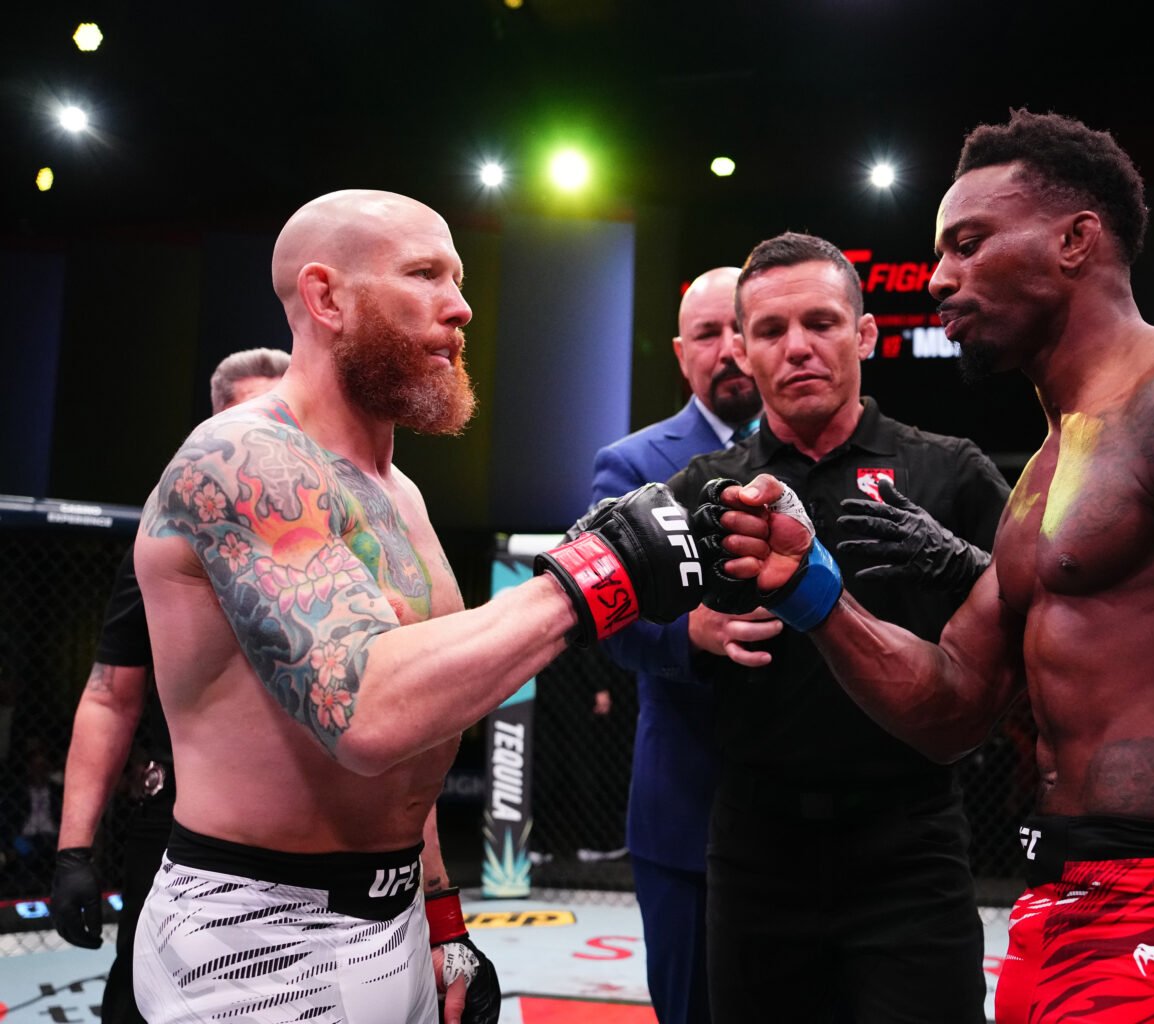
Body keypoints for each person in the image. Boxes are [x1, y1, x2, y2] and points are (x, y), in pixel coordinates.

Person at [697, 110, 1154, 1024]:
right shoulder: (1045, 470)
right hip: (1063, 902)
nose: (941, 278)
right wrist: (815, 595)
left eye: (968, 244)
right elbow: (955, 705)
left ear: (1077, 241)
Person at [129, 189, 706, 1024]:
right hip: (257, 928)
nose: (461, 307)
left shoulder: (399, 492)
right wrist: (591, 578)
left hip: (396, 911)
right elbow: (364, 710)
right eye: (424, 274)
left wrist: (440, 917)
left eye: (458, 278)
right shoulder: (243, 458)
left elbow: (418, 735)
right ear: (326, 298)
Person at [667, 232, 1011, 1023]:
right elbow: (613, 630)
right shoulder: (703, 490)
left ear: (865, 335)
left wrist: (968, 566)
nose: (798, 347)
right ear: (745, 351)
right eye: (771, 330)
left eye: (821, 323)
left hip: (910, 842)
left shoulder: (948, 470)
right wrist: (689, 629)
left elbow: (1041, 618)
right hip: (756, 847)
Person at [51, 347, 289, 1024]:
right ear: (214, 426)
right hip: (182, 813)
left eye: (282, 416)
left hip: (306, 820)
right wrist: (73, 851)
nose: (267, 435)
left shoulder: (342, 527)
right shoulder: (170, 532)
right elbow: (110, 694)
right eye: (251, 416)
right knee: (145, 998)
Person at [590, 265, 768, 1024]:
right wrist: (692, 633)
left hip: (828, 815)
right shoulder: (631, 464)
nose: (728, 349)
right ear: (680, 352)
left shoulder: (826, 450)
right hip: (691, 804)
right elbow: (608, 618)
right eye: (707, 334)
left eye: (742, 329)